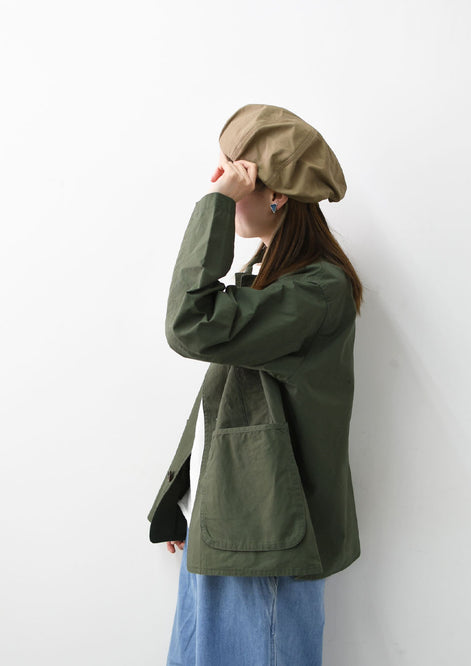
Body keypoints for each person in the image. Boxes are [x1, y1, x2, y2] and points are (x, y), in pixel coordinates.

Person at [147, 103, 364, 666]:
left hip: (264, 541)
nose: (217, 181)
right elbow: (225, 400)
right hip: (227, 529)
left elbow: (189, 323)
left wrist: (215, 205)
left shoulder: (316, 291)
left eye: (233, 174)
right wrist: (185, 497)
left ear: (277, 196)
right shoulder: (264, 280)